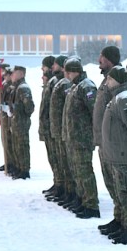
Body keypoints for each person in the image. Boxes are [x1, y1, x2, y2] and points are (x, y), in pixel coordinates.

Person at [100, 65, 127, 245]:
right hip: (117, 154)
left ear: (118, 80)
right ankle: (121, 223)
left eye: (110, 79)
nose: (107, 82)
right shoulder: (117, 97)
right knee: (120, 192)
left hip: (124, 155)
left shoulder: (124, 99)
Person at [63, 57, 100, 219]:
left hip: (82, 139)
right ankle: (83, 200)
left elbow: (95, 111)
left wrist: (93, 134)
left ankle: (91, 205)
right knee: (77, 171)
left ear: (72, 71)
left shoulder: (87, 86)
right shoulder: (75, 87)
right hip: (74, 138)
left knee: (85, 171)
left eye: (67, 71)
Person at [94, 46, 121, 233]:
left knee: (119, 184)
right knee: (111, 182)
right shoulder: (106, 79)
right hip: (103, 140)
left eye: (102, 57)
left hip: (112, 141)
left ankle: (125, 222)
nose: (99, 60)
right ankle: (118, 218)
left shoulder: (117, 78)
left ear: (110, 59)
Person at [48, 56, 77, 208]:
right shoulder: (61, 82)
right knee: (60, 162)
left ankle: (73, 193)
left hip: (66, 131)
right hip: (59, 129)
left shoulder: (66, 84)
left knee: (69, 164)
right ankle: (64, 189)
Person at [43, 56, 69, 201]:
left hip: (61, 129)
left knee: (63, 161)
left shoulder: (62, 83)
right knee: (56, 159)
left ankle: (66, 189)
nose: (52, 67)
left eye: (55, 64)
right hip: (53, 128)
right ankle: (59, 185)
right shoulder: (55, 81)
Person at [9, 66, 35, 180]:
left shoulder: (23, 88)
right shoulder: (16, 87)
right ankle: (19, 167)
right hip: (16, 121)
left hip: (21, 122)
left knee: (22, 147)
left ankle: (24, 169)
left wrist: (20, 111)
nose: (12, 75)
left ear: (21, 74)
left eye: (14, 73)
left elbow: (29, 107)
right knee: (16, 146)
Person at [39, 56, 57, 192]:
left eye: (44, 66)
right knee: (53, 159)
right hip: (49, 128)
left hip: (54, 129)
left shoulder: (55, 83)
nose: (42, 69)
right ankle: (58, 184)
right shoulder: (49, 83)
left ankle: (63, 186)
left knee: (59, 161)